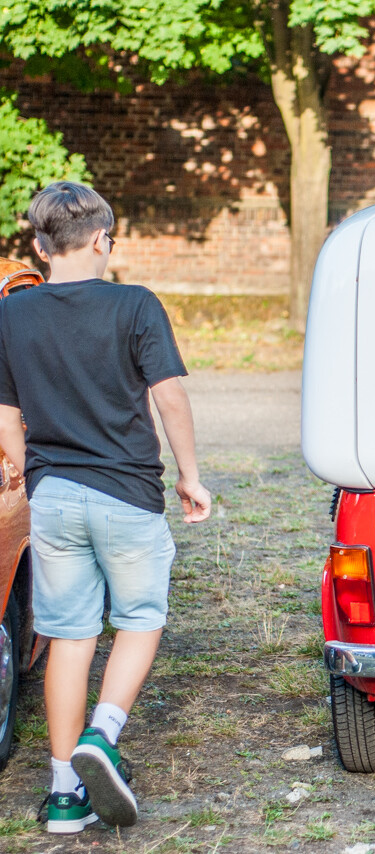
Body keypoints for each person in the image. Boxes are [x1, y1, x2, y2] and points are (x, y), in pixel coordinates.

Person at [0, 181, 212, 833]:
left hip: (54, 497)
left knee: (69, 635)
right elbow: (170, 397)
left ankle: (65, 793)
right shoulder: (136, 305)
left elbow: (6, 413)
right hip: (126, 493)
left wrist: (19, 465)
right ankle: (105, 732)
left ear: (40, 245)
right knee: (141, 617)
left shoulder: (11, 315)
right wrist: (190, 476)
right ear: (102, 240)